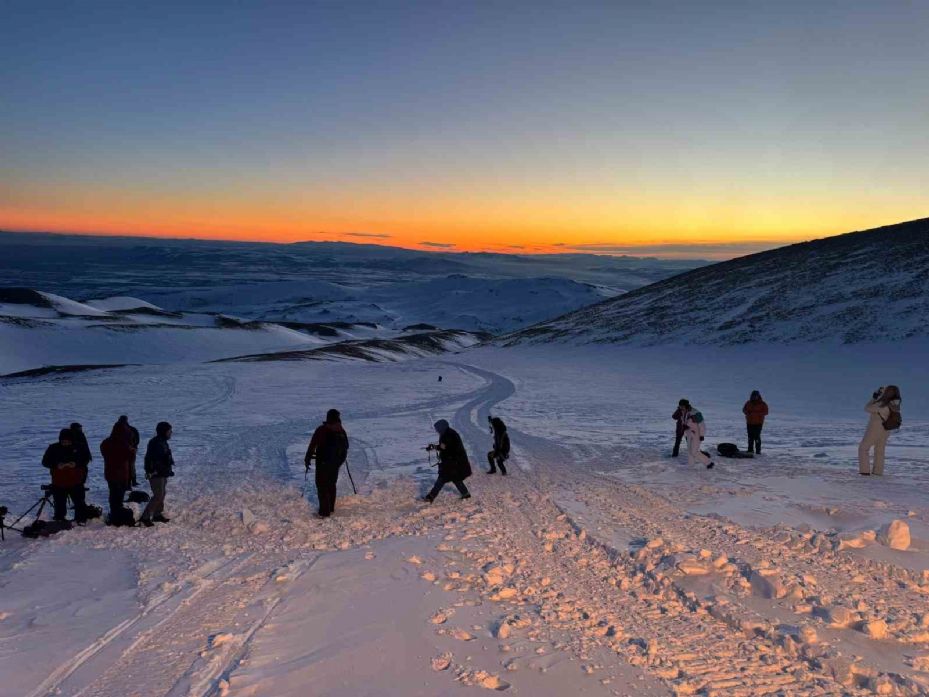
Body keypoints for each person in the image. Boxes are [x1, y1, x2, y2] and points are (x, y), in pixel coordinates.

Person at [304, 409, 349, 518]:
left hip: (322, 463)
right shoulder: (341, 430)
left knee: (322, 486)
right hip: (335, 464)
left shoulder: (322, 430)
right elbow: (346, 446)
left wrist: (307, 458)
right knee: (331, 484)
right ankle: (331, 508)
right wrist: (339, 462)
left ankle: (324, 512)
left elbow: (313, 444)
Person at [42, 428, 88, 523]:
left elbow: (86, 460)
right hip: (59, 481)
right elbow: (45, 462)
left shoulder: (80, 447)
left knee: (79, 502)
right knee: (59, 503)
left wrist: (76, 464)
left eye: (68, 441)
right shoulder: (53, 448)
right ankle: (60, 520)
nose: (65, 443)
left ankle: (80, 520)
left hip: (76, 480)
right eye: (63, 441)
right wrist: (56, 465)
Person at [423, 420, 472, 502]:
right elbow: (444, 447)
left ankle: (430, 497)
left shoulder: (449, 435)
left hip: (453, 462)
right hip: (453, 462)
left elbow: (448, 449)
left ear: (441, 427)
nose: (436, 430)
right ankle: (466, 494)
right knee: (455, 478)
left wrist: (448, 460)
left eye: (437, 428)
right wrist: (434, 447)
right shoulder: (446, 433)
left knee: (442, 478)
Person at [858, 385, 902, 476]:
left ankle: (864, 471)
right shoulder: (895, 404)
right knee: (879, 450)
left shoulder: (882, 404)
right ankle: (878, 472)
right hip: (886, 429)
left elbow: (867, 408)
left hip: (875, 427)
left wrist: (874, 398)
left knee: (863, 448)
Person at [141, 421, 175, 526]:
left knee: (162, 494)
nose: (171, 433)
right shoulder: (156, 443)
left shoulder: (162, 441)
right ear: (163, 432)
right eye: (169, 431)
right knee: (158, 495)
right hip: (156, 474)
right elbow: (155, 461)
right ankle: (145, 517)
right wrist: (159, 471)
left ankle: (157, 514)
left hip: (162, 473)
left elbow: (165, 458)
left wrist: (168, 470)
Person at [101, 423, 133, 525]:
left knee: (113, 494)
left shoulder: (106, 442)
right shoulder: (124, 444)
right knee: (118, 496)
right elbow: (129, 458)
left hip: (110, 473)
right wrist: (132, 451)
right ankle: (117, 515)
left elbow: (104, 453)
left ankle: (115, 513)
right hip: (121, 473)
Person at [117, 415, 141, 487]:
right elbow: (137, 440)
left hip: (124, 452)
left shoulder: (118, 430)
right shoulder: (132, 429)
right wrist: (134, 447)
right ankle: (133, 481)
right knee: (131, 466)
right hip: (132, 450)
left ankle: (128, 484)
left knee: (126, 467)